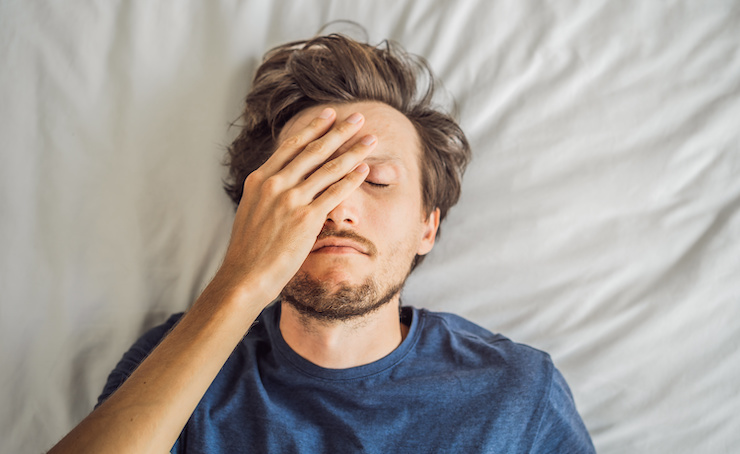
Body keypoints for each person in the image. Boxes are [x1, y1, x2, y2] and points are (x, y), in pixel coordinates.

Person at [50, 34, 595, 453]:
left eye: (377, 181)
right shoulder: (175, 362)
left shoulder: (517, 392)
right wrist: (242, 279)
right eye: (308, 180)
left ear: (428, 227)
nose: (338, 206)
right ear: (256, 211)